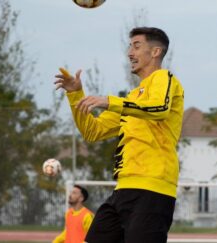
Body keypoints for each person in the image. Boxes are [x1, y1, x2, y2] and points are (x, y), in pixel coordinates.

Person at [54, 27, 184, 243]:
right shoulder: (133, 99)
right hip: (123, 189)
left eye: (136, 46)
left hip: (153, 189)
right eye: (129, 46)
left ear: (156, 52)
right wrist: (75, 94)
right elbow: (92, 131)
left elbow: (159, 107)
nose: (129, 52)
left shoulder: (164, 78)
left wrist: (109, 101)